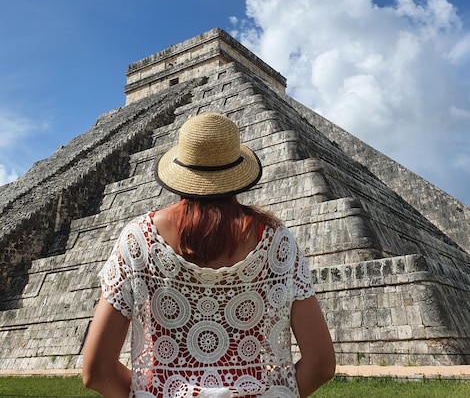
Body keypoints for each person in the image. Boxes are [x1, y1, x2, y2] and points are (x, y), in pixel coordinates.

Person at [82, 112, 336, 398]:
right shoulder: (276, 241)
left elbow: (97, 372)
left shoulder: (138, 239)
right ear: (237, 169)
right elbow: (321, 364)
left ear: (181, 168)